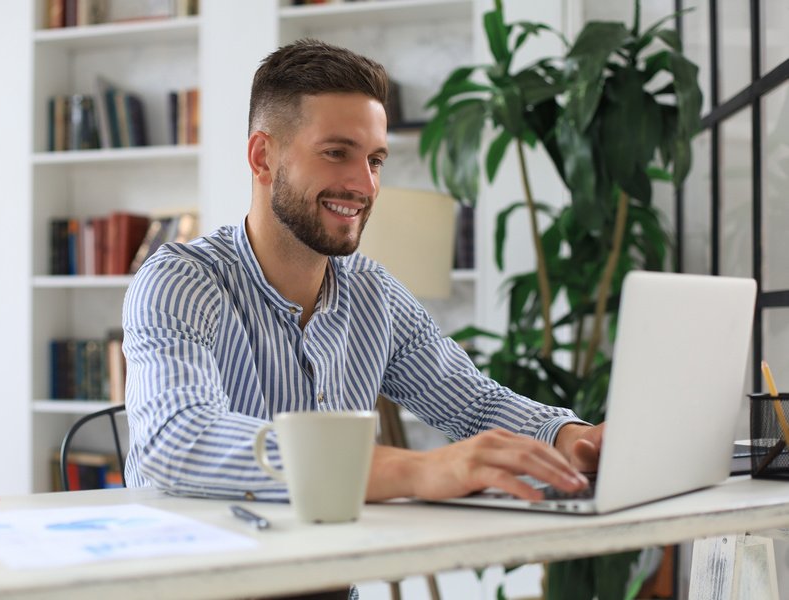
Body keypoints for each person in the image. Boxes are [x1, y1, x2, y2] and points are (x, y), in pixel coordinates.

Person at [122, 38, 603, 506]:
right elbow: (178, 438)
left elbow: (474, 405)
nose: (364, 184)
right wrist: (414, 470)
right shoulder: (178, 281)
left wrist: (574, 438)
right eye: (336, 153)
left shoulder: (376, 294)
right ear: (262, 157)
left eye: (375, 160)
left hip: (325, 580)